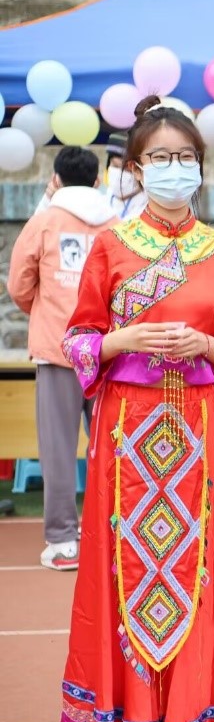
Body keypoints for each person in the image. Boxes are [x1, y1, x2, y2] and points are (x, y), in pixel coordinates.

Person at [56, 96, 214, 722]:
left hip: (198, 434)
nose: (174, 169)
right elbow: (78, 341)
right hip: (127, 432)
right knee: (127, 580)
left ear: (201, 168)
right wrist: (122, 339)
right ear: (135, 168)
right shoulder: (111, 246)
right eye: (160, 158)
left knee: (200, 577)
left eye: (185, 158)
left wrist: (207, 345)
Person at [8, 146, 117, 570]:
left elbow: (19, 285)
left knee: (57, 451)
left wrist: (44, 310)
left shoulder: (43, 222)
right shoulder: (116, 224)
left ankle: (63, 542)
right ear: (97, 180)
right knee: (113, 446)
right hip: (107, 352)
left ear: (55, 180)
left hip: (58, 349)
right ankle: (114, 534)